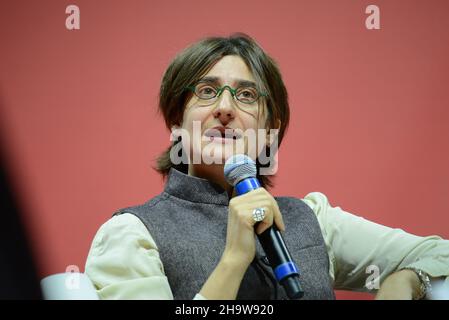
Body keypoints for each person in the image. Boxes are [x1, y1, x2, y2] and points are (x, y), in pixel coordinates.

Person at [85, 33, 449, 300]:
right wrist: (233, 260)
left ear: (268, 132)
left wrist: (407, 279)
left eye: (245, 95)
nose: (225, 108)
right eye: (207, 91)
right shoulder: (131, 236)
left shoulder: (311, 219)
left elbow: (438, 253)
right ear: (177, 124)